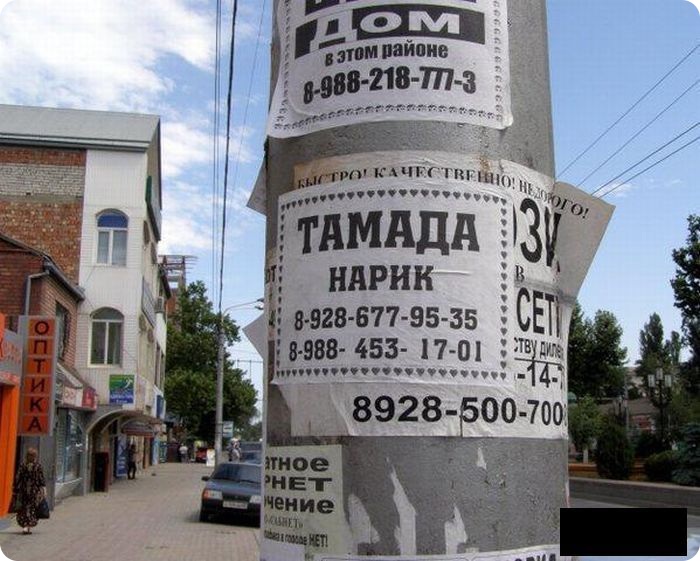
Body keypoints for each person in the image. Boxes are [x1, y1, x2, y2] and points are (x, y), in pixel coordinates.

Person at [13, 448, 46, 535]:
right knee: (32, 508)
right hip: (34, 491)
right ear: (35, 456)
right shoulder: (38, 466)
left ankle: (25, 526)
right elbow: (41, 479)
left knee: (24, 508)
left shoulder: (22, 465)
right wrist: (44, 490)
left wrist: (15, 489)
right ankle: (28, 527)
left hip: (24, 490)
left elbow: (18, 478)